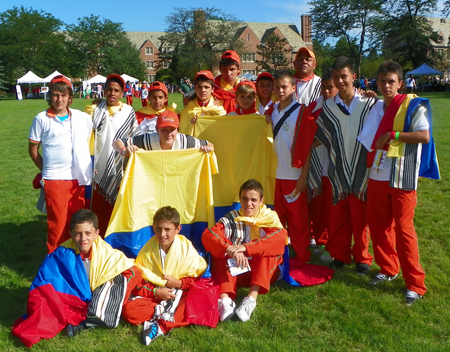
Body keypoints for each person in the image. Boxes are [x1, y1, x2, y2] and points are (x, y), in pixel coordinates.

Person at [358, 61, 439, 306]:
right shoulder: (376, 106)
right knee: (379, 225)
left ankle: (415, 284)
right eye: (381, 81)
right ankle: (388, 268)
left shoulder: (412, 104)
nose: (385, 86)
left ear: (400, 83)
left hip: (402, 174)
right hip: (378, 172)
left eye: (390, 81)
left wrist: (392, 135)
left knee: (404, 229)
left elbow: (424, 135)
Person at [12, 209, 137, 347]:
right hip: (75, 301)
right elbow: (46, 282)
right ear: (71, 234)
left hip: (98, 293)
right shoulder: (62, 253)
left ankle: (87, 321)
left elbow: (130, 270)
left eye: (88, 233)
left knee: (122, 289)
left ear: (97, 233)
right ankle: (93, 318)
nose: (83, 239)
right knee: (47, 308)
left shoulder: (106, 252)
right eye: (78, 234)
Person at [314, 57, 375, 273]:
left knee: (360, 218)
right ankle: (340, 255)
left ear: (353, 77)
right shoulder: (329, 107)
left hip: (362, 167)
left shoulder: (369, 104)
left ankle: (362, 258)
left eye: (344, 76)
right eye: (336, 77)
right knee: (338, 216)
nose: (340, 81)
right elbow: (320, 135)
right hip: (338, 167)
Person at [202, 179, 287, 322]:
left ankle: (251, 298)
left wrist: (246, 248)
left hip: (261, 274)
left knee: (268, 250)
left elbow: (280, 238)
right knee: (220, 251)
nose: (249, 204)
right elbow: (209, 235)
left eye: (254, 200)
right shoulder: (232, 218)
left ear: (261, 201)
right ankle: (225, 300)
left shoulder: (269, 218)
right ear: (240, 199)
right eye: (245, 199)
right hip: (235, 272)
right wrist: (230, 249)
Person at [122, 206, 207, 345]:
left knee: (197, 300)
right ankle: (165, 313)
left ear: (177, 229)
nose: (162, 234)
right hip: (155, 296)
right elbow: (140, 281)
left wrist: (179, 284)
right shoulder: (147, 250)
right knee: (128, 311)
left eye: (167, 229)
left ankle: (159, 326)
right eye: (158, 229)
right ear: (153, 228)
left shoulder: (186, 247)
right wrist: (157, 292)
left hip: (179, 294)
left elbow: (198, 277)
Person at [28, 75, 92, 253]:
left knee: (77, 224)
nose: (59, 99)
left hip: (77, 179)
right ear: (50, 96)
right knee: (57, 226)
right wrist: (46, 171)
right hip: (55, 180)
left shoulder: (79, 117)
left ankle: (76, 259)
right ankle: (55, 264)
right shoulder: (41, 118)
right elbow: (33, 150)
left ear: (70, 97)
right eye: (56, 95)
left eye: (64, 95)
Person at [270, 70, 317, 263]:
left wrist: (303, 177)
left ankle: (302, 255)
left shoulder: (302, 111)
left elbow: (307, 148)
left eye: (284, 87)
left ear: (293, 88)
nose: (281, 91)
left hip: (293, 175)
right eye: (277, 87)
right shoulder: (271, 111)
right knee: (276, 219)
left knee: (297, 219)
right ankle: (278, 254)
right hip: (274, 174)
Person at [88, 74, 140, 235]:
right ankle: (98, 237)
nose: (112, 93)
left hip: (121, 166)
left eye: (116, 90)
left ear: (122, 93)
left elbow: (135, 137)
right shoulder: (94, 110)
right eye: (109, 89)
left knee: (118, 206)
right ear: (104, 91)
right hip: (99, 165)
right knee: (99, 207)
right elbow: (88, 137)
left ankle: (115, 238)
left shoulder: (128, 112)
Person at [307, 69, 339, 256]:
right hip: (317, 162)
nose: (326, 92)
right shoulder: (314, 106)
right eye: (323, 88)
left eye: (330, 88)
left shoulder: (344, 105)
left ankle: (334, 244)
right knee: (318, 205)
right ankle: (321, 241)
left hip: (335, 164)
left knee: (333, 207)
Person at [113, 109, 214, 154]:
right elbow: (116, 142)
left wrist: (207, 148)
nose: (168, 134)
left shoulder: (184, 141)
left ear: (178, 130)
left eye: (172, 130)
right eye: (164, 130)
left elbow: (210, 144)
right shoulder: (147, 140)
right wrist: (124, 151)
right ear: (157, 130)